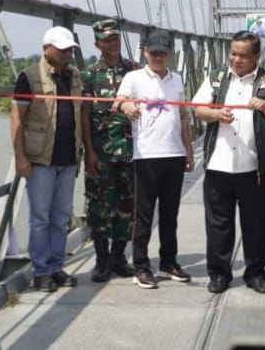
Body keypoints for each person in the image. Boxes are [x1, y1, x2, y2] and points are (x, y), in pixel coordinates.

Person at [192, 31, 265, 295]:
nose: (236, 59)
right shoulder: (217, 78)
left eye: (243, 55)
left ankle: (255, 273)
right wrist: (215, 113)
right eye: (233, 53)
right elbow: (198, 108)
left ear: (256, 56)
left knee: (256, 224)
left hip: (254, 168)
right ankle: (219, 274)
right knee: (218, 224)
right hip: (219, 165)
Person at [114, 29, 195, 289]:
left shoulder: (177, 80)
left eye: (163, 52)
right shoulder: (134, 77)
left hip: (174, 154)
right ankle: (141, 265)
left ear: (170, 54)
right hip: (147, 155)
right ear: (145, 52)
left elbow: (183, 117)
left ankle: (169, 261)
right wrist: (125, 106)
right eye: (153, 52)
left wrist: (189, 150)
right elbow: (118, 101)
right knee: (144, 214)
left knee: (171, 214)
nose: (158, 57)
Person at [11, 25, 83, 293]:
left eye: (70, 51)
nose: (67, 55)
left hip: (68, 159)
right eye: (62, 50)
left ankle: (55, 267)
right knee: (40, 218)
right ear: (46, 49)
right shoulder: (29, 78)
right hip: (41, 159)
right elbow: (16, 117)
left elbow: (80, 113)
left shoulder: (75, 76)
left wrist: (82, 153)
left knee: (60, 217)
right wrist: (20, 156)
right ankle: (41, 271)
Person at [81, 19, 138, 282]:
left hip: (129, 150)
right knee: (99, 207)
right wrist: (89, 152)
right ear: (97, 44)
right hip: (102, 153)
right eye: (107, 40)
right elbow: (83, 114)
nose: (112, 43)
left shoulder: (134, 71)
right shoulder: (90, 74)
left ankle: (119, 257)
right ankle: (102, 260)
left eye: (115, 38)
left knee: (128, 205)